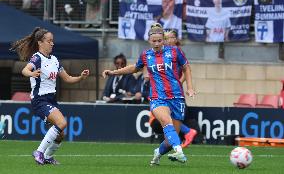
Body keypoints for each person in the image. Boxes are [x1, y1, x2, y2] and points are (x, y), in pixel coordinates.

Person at [102, 23, 196, 166]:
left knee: (171, 139)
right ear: (149, 41)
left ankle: (158, 153)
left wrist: (189, 87)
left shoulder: (175, 51)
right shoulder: (146, 55)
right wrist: (114, 72)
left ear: (163, 40)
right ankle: (180, 152)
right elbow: (134, 68)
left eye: (159, 41)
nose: (157, 44)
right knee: (166, 121)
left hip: (177, 97)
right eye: (154, 41)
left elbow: (186, 67)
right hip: (158, 97)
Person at [10, 27, 90, 165]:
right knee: (62, 123)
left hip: (51, 100)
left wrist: (81, 77)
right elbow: (25, 70)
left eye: (52, 41)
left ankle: (47, 157)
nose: (52, 43)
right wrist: (32, 73)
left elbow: (68, 79)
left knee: (61, 134)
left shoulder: (55, 60)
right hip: (40, 100)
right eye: (49, 41)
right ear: (40, 43)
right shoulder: (37, 58)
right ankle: (39, 152)